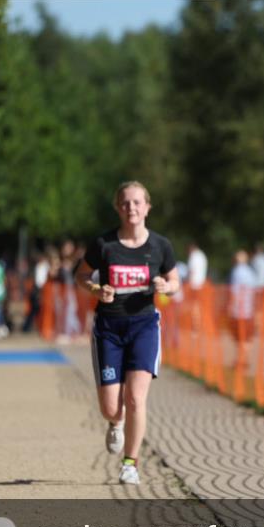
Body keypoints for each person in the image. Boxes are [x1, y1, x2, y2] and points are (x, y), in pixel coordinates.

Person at [74, 181, 179, 485]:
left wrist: (166, 287)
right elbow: (81, 274)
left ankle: (130, 463)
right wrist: (95, 288)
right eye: (125, 203)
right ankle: (115, 423)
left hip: (144, 326)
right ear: (118, 208)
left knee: (135, 397)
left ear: (147, 207)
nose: (131, 208)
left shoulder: (160, 246)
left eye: (137, 202)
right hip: (109, 329)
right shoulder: (104, 244)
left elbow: (175, 283)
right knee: (111, 407)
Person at [228, 250, 257, 385]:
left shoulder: (236, 272)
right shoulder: (250, 272)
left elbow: (234, 291)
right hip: (248, 309)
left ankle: (241, 360)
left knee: (240, 337)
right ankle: (242, 359)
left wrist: (231, 306)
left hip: (238, 310)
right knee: (246, 337)